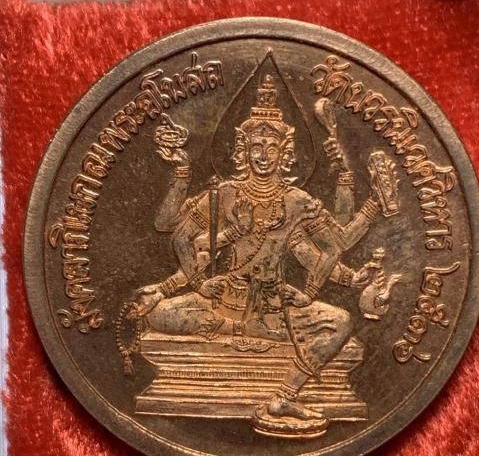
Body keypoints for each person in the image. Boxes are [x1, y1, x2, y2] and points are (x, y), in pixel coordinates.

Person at [134, 75, 380, 435]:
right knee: (158, 314)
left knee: (341, 321)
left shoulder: (297, 201)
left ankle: (284, 396)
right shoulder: (225, 194)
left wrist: (309, 293)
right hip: (224, 302)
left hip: (274, 306)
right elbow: (180, 236)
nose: (263, 156)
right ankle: (239, 329)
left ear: (285, 154)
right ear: (243, 151)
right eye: (256, 147)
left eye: (271, 148)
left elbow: (333, 245)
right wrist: (200, 283)